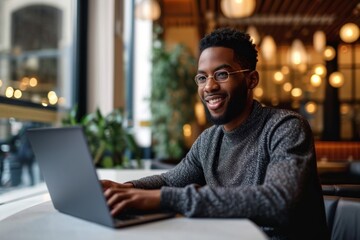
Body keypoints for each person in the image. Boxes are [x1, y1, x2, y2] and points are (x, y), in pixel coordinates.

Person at [101, 28, 329, 239]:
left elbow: (278, 201)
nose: (209, 87)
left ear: (251, 79)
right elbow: (171, 180)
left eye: (221, 74)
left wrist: (164, 199)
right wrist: (125, 189)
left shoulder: (286, 127)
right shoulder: (210, 140)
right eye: (202, 77)